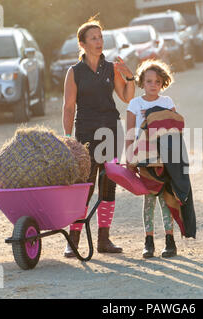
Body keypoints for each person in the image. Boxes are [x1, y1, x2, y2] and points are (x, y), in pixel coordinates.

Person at [62, 17, 135, 257]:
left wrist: (129, 77)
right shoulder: (74, 72)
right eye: (93, 38)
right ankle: (73, 241)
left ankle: (104, 240)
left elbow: (126, 97)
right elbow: (68, 107)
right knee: (85, 186)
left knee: (108, 183)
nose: (99, 41)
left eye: (100, 37)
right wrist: (68, 138)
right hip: (85, 132)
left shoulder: (111, 67)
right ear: (82, 44)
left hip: (110, 130)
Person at [125, 59, 178, 258]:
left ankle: (170, 240)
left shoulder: (167, 102)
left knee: (167, 198)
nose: (153, 85)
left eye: (157, 81)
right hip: (144, 158)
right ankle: (148, 241)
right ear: (142, 82)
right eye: (149, 81)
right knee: (149, 199)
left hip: (164, 158)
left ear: (163, 82)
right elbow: (130, 133)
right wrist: (130, 158)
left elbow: (175, 129)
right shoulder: (135, 104)